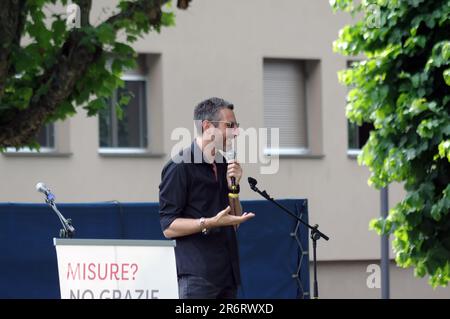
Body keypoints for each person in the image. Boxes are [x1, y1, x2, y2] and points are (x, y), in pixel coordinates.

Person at [159, 97, 255, 299]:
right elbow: (168, 227)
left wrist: (233, 188)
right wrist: (210, 222)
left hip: (228, 274)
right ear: (207, 126)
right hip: (197, 276)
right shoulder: (179, 166)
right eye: (230, 125)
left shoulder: (223, 164)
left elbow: (234, 220)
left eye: (237, 126)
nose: (236, 132)